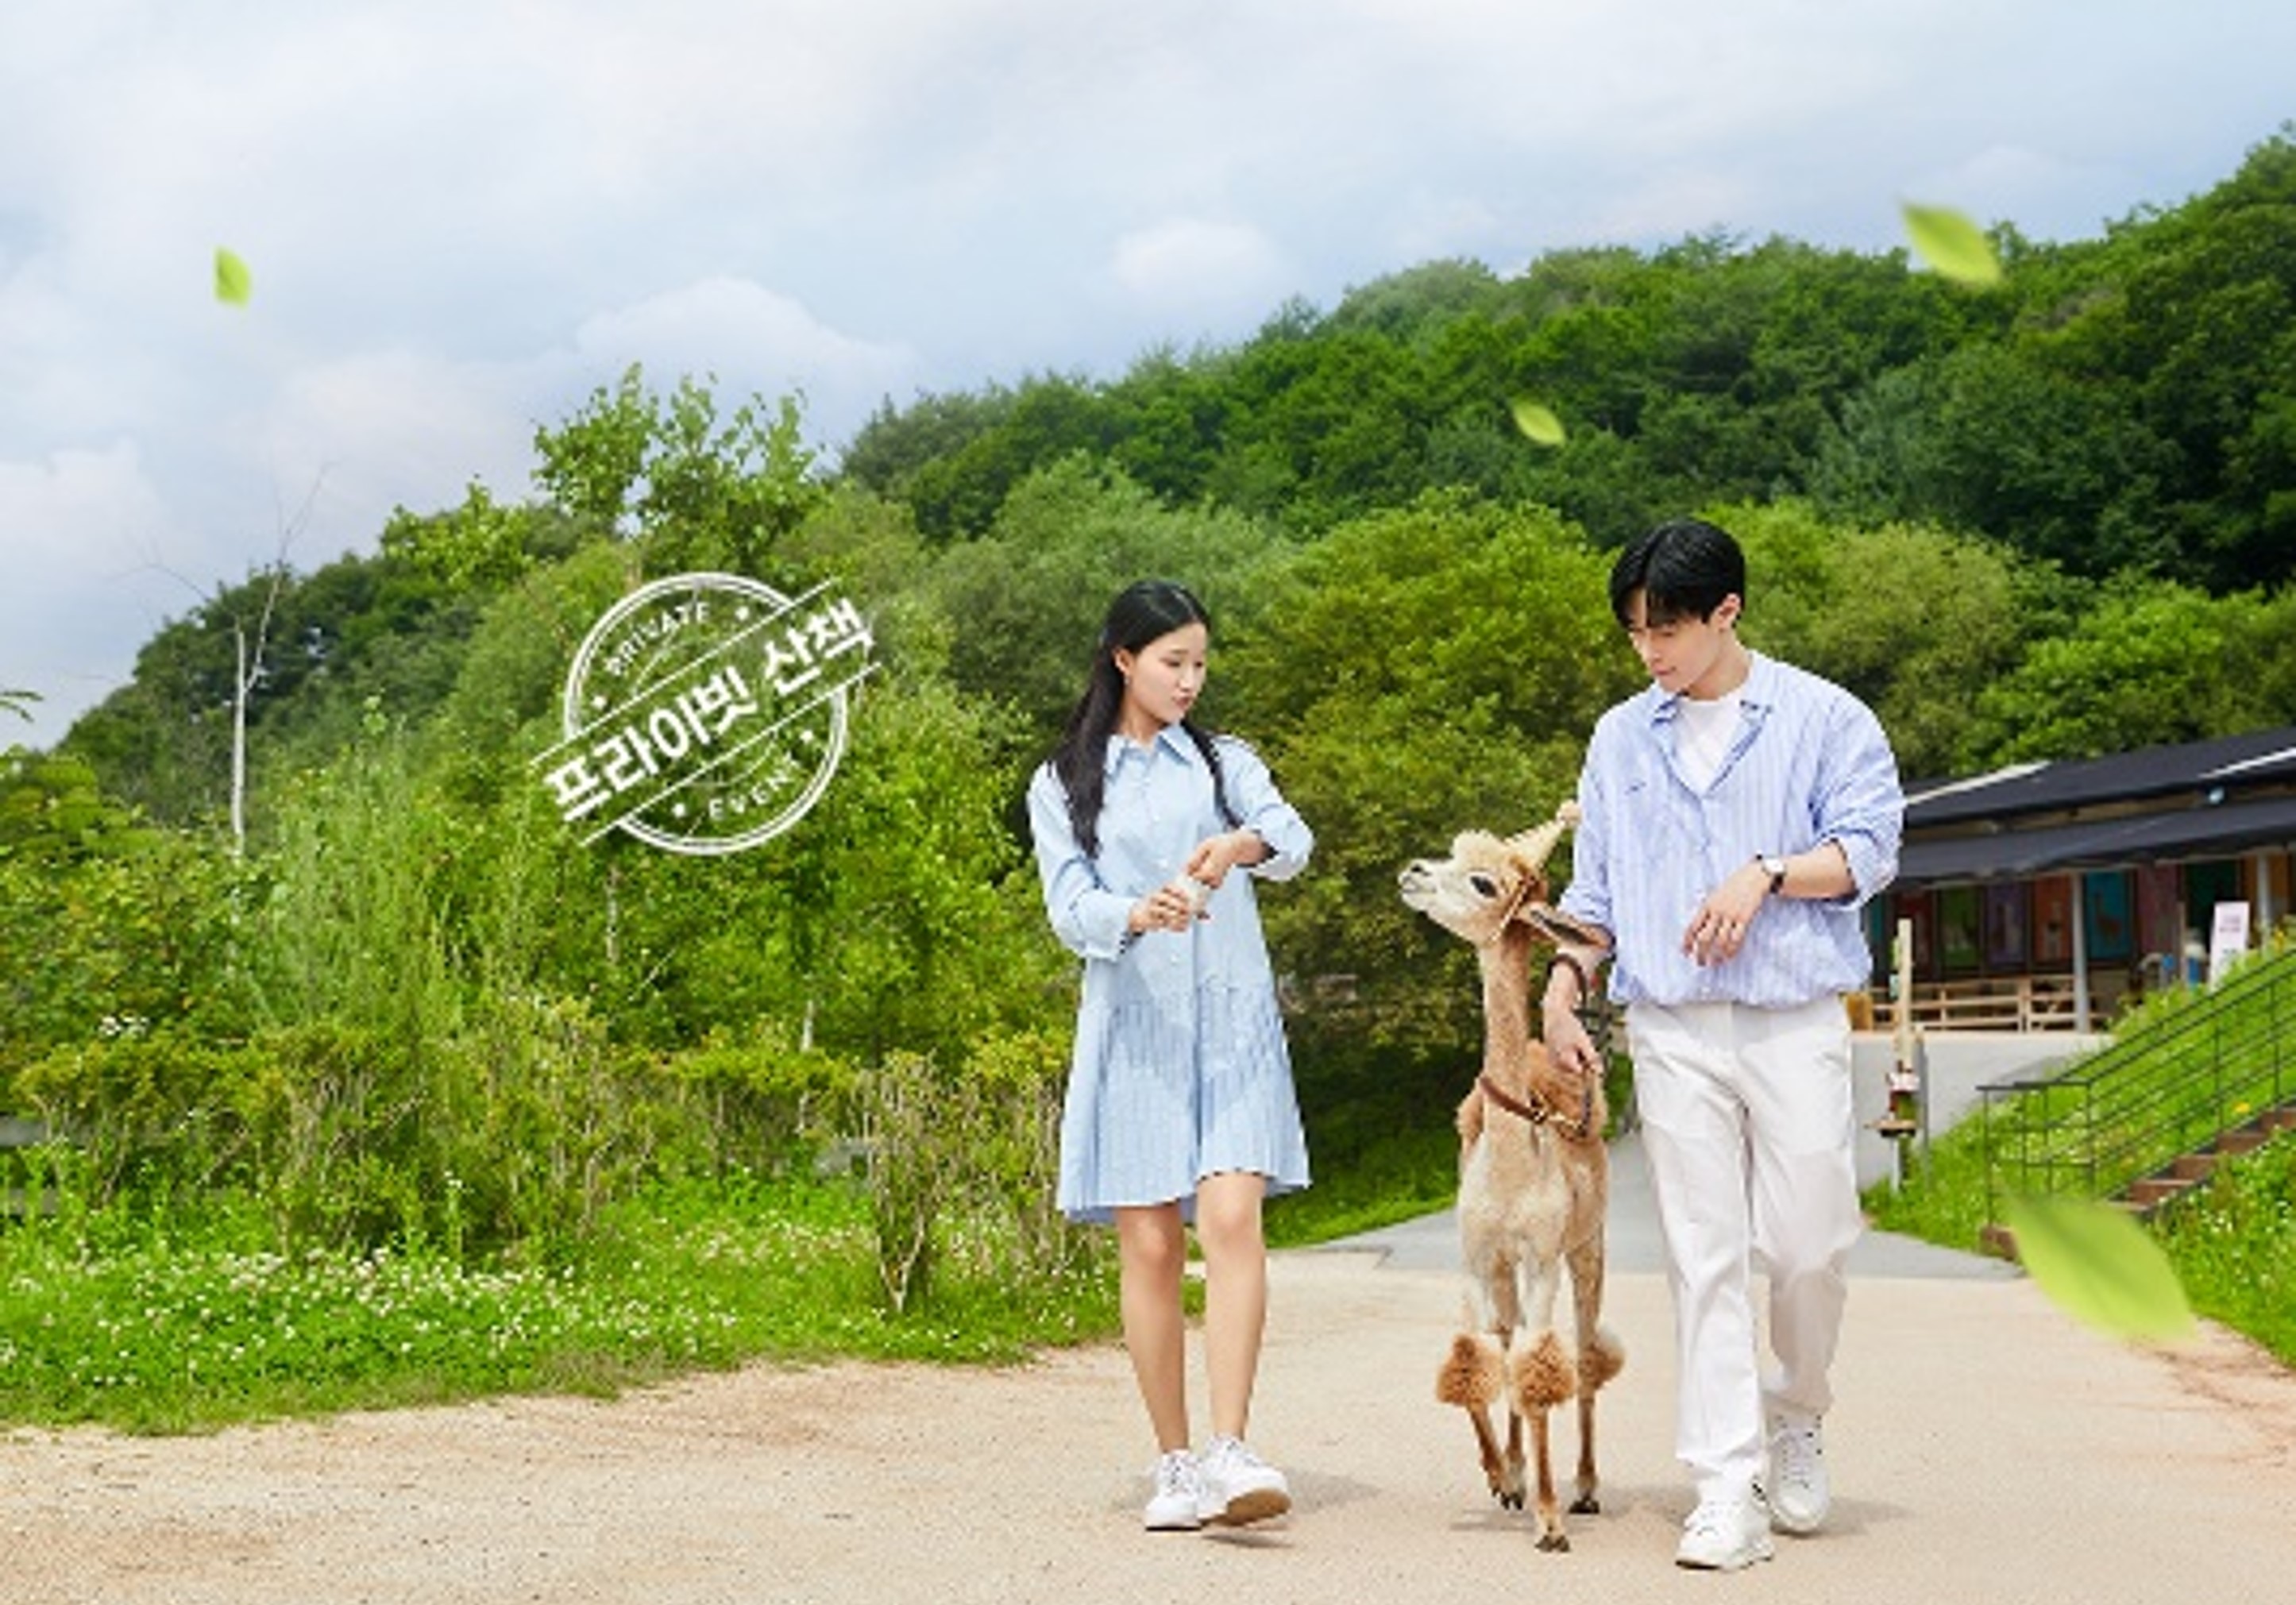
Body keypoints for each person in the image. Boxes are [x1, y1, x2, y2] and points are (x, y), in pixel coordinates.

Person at [1541, 518, 1903, 1572]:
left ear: (1725, 612)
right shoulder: (1619, 739)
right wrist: (1565, 985)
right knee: (1702, 1258)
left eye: (1665, 628)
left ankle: (1794, 1415)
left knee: (1805, 1245)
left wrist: (1765, 872)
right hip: (1670, 1026)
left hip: (1791, 1016)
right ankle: (1723, 1482)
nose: (1648, 651)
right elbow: (1594, 892)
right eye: (1633, 632)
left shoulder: (1824, 719)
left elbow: (1869, 846)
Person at [1025, 578, 1314, 1533]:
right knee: (1148, 1245)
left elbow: (1293, 839)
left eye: (1199, 662)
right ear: (1122, 659)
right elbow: (1069, 905)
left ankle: (1233, 1449)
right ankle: (1176, 1463)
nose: (1189, 679)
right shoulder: (1064, 779)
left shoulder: (1225, 762)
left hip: (1231, 1025)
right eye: (1171, 662)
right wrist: (1132, 912)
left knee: (1231, 1217)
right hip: (1135, 1029)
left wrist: (1239, 845)